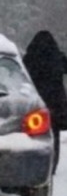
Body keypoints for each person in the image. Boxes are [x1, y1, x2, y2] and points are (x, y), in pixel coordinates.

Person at [23, 31, 67, 174]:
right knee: (53, 134)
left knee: (35, 134)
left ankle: (34, 164)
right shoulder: (57, 58)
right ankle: (52, 165)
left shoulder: (29, 59)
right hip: (55, 102)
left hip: (35, 102)